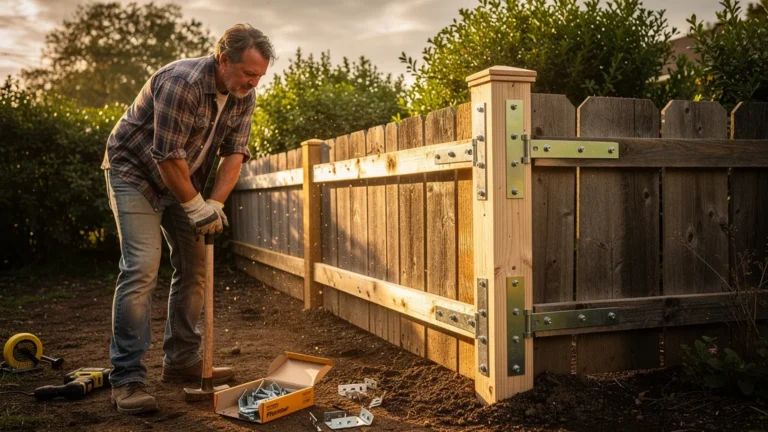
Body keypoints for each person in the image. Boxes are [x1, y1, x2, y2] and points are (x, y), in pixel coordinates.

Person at [101, 24, 273, 414]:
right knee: (142, 267)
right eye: (249, 73)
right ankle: (127, 378)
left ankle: (181, 359)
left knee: (196, 268)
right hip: (135, 174)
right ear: (223, 59)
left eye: (260, 75)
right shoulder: (181, 82)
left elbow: (234, 155)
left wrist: (213, 203)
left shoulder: (244, 97)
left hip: (185, 180)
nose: (254, 82)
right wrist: (195, 207)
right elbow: (166, 156)